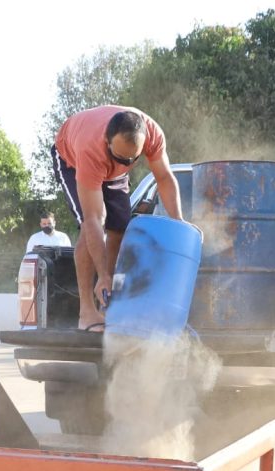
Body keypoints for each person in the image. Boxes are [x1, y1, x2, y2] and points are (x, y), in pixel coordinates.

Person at [52, 105, 183, 332]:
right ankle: (87, 312)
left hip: (109, 169)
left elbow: (164, 178)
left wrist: (179, 224)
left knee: (121, 227)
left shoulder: (152, 134)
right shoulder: (90, 148)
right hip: (72, 161)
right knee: (92, 223)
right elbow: (92, 220)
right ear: (107, 140)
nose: (126, 163)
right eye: (121, 157)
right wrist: (102, 274)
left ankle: (108, 305)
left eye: (132, 159)